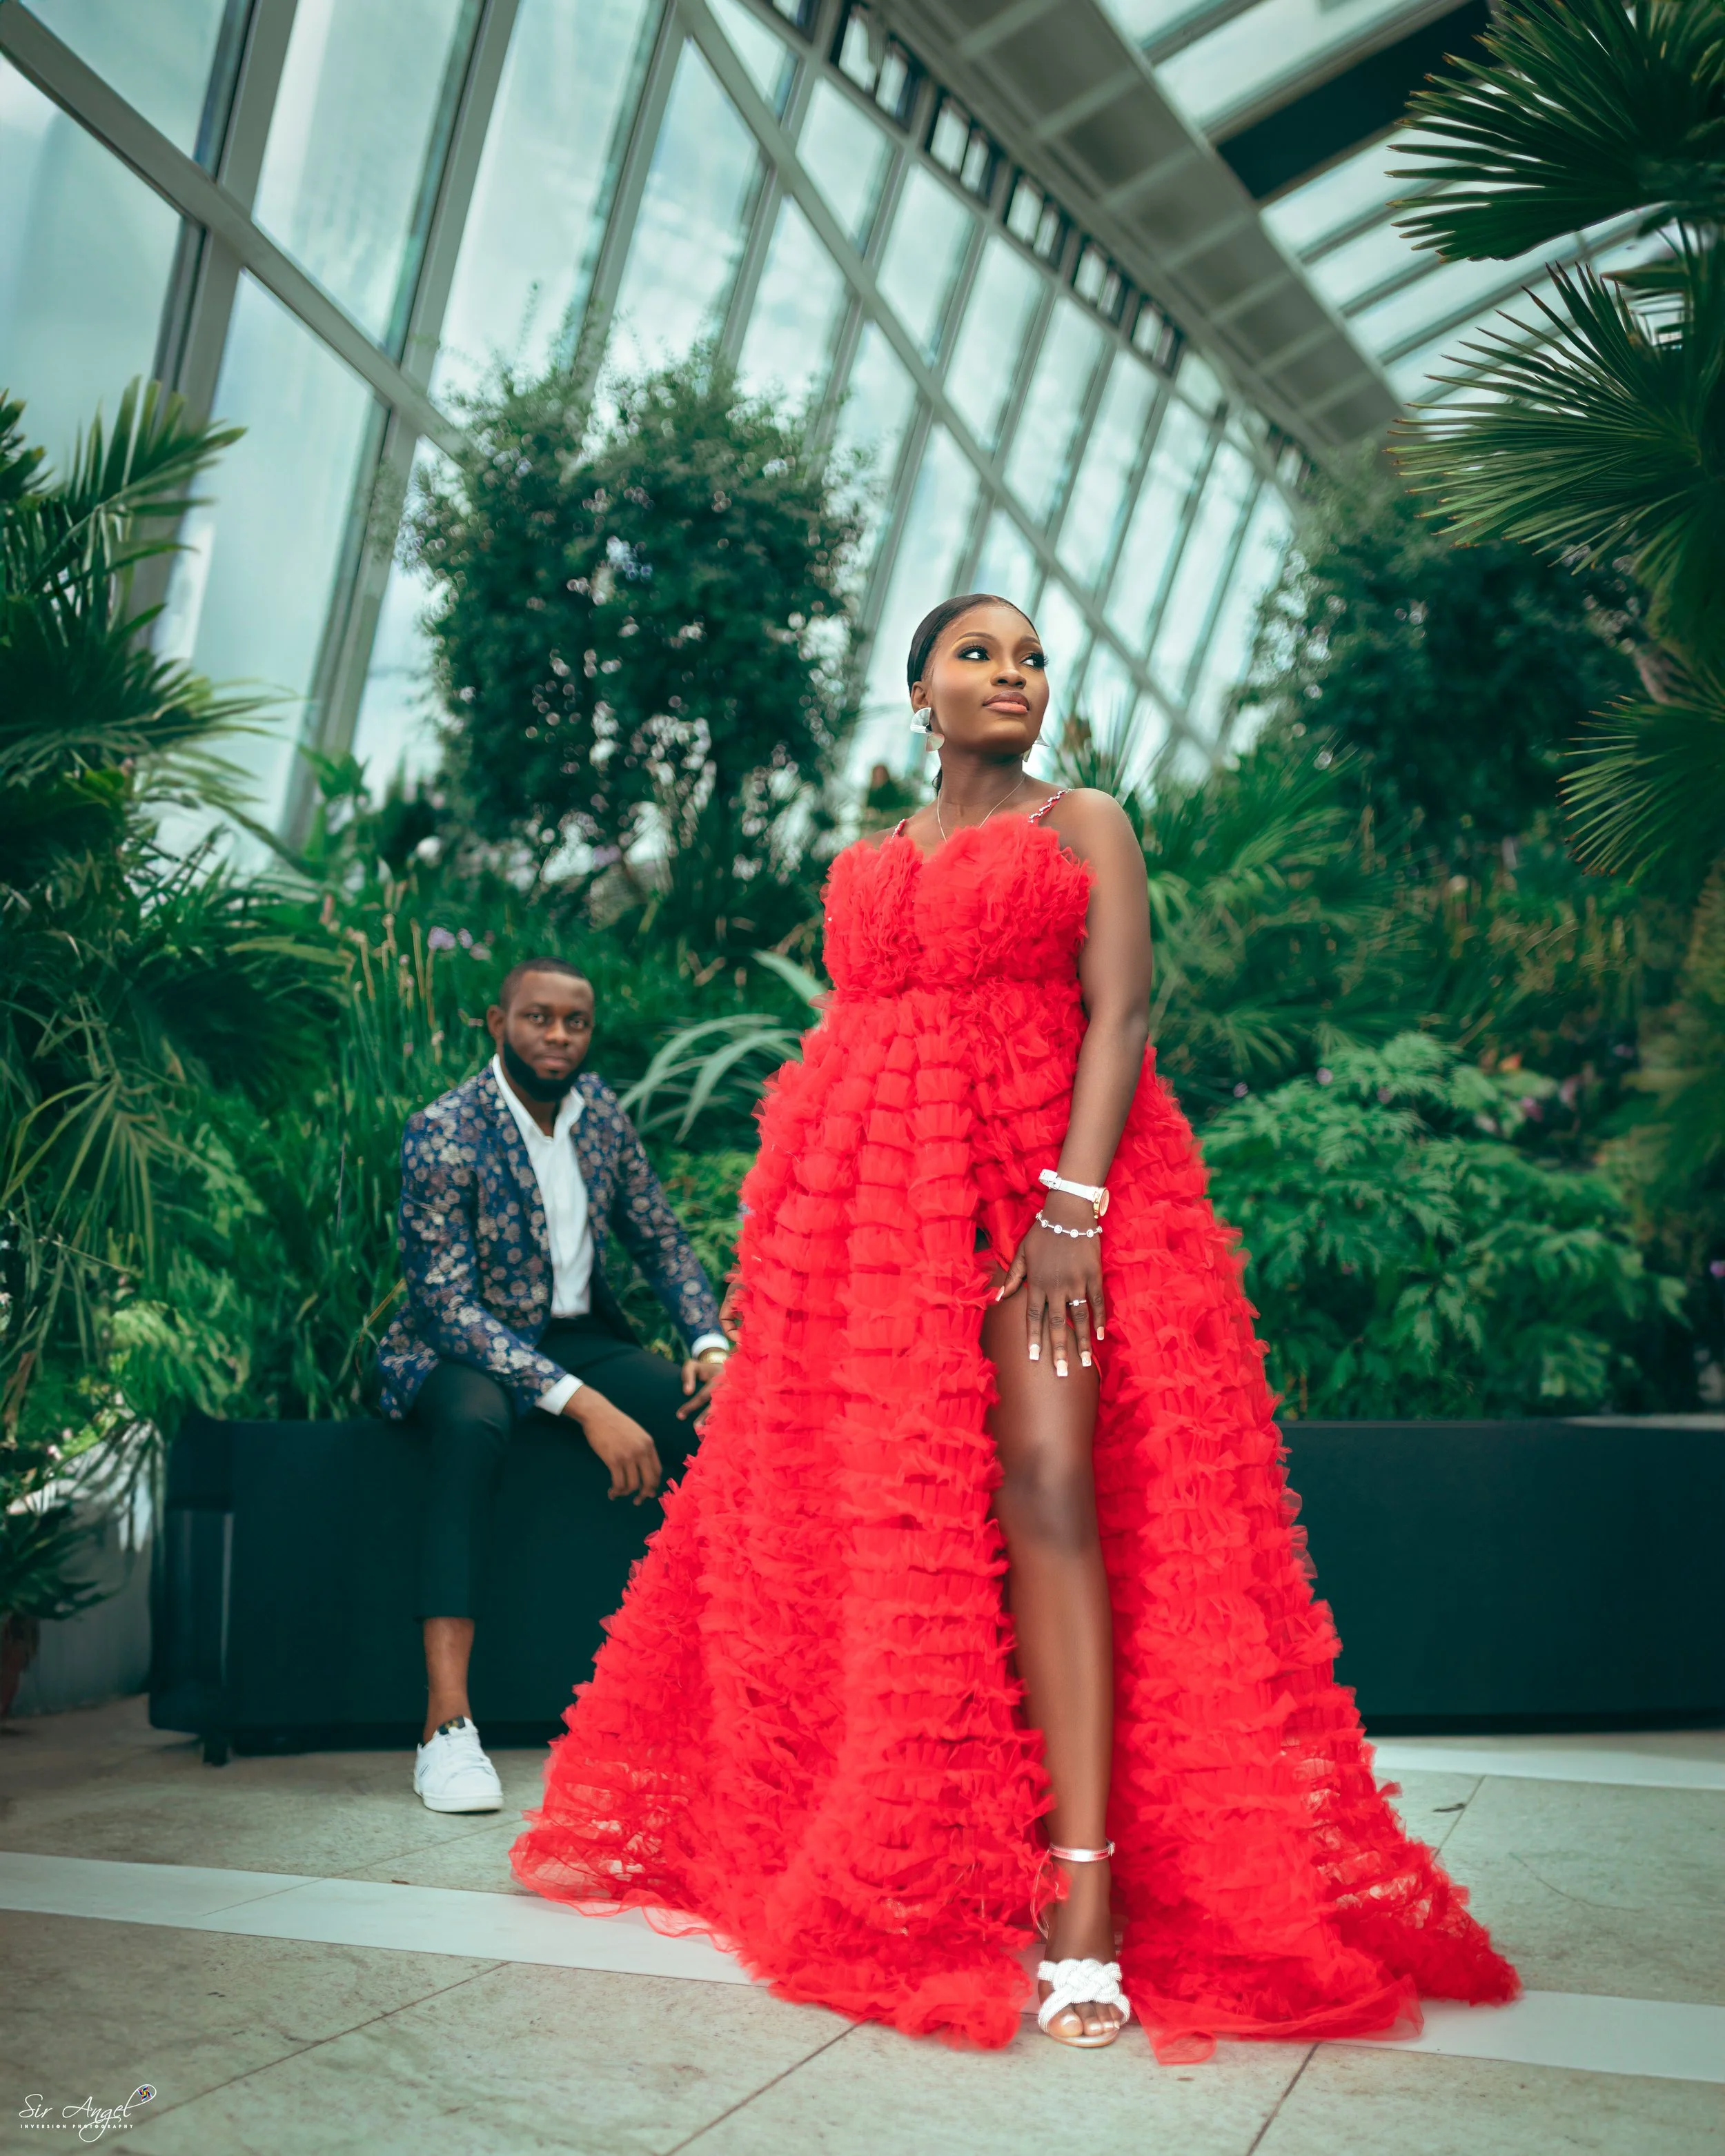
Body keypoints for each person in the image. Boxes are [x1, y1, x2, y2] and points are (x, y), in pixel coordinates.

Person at [511, 599, 1519, 2057]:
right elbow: (845, 1043)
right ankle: (929, 1851)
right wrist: (787, 1237)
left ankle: (1085, 1892)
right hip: (882, 1216)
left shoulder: (1083, 822)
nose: (1012, 675)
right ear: (918, 691)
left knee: (1051, 1493)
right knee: (904, 1531)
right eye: (977, 654)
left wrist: (1071, 1209)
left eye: (1032, 657)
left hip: (1057, 1196)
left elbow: (1122, 1015)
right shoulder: (873, 857)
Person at [377, 956, 729, 1815]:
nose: (559, 1035)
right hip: (458, 1347)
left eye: (575, 1021)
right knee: (472, 1428)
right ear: (497, 1023)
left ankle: (712, 1704)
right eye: (538, 1017)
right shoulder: (444, 1129)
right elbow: (448, 1307)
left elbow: (659, 1235)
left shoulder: (598, 1111)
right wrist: (584, 1402)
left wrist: (711, 1343)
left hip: (574, 1335)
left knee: (718, 1421)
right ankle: (445, 1726)